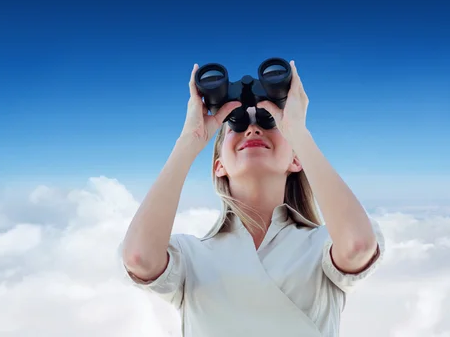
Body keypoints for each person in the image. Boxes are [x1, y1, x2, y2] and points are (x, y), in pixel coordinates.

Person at [121, 60, 385, 337]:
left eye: (267, 121)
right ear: (219, 165)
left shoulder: (322, 247)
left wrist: (297, 132)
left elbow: (358, 246)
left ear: (296, 159)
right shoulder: (191, 257)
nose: (253, 128)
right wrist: (190, 139)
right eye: (237, 125)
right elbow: (140, 258)